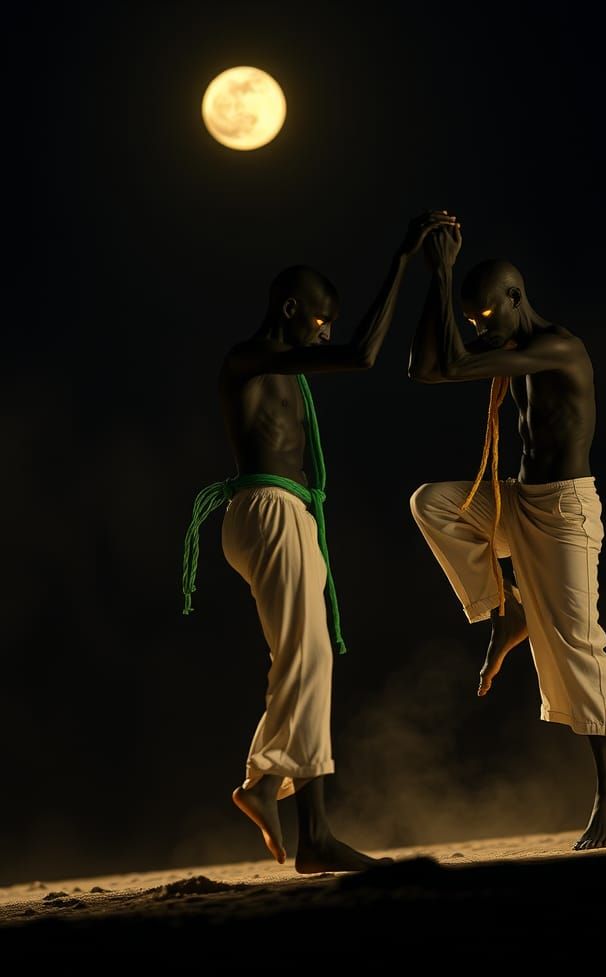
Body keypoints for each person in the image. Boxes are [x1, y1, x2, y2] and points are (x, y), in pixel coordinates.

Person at [181, 211, 455, 873]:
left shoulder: (284, 363)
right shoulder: (249, 357)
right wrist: (401, 259)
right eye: (320, 319)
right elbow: (360, 354)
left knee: (307, 659)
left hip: (286, 514)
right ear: (292, 308)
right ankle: (299, 821)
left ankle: (279, 799)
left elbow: (348, 351)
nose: (325, 330)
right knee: (303, 658)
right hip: (266, 509)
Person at [408, 217, 606, 850]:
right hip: (519, 503)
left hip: (564, 512)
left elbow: (448, 362)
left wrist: (445, 271)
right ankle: (505, 612)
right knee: (435, 504)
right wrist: (439, 283)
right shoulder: (506, 346)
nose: (481, 329)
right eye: (473, 321)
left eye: (487, 315)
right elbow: (426, 368)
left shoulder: (560, 348)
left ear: (516, 298)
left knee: (576, 645)